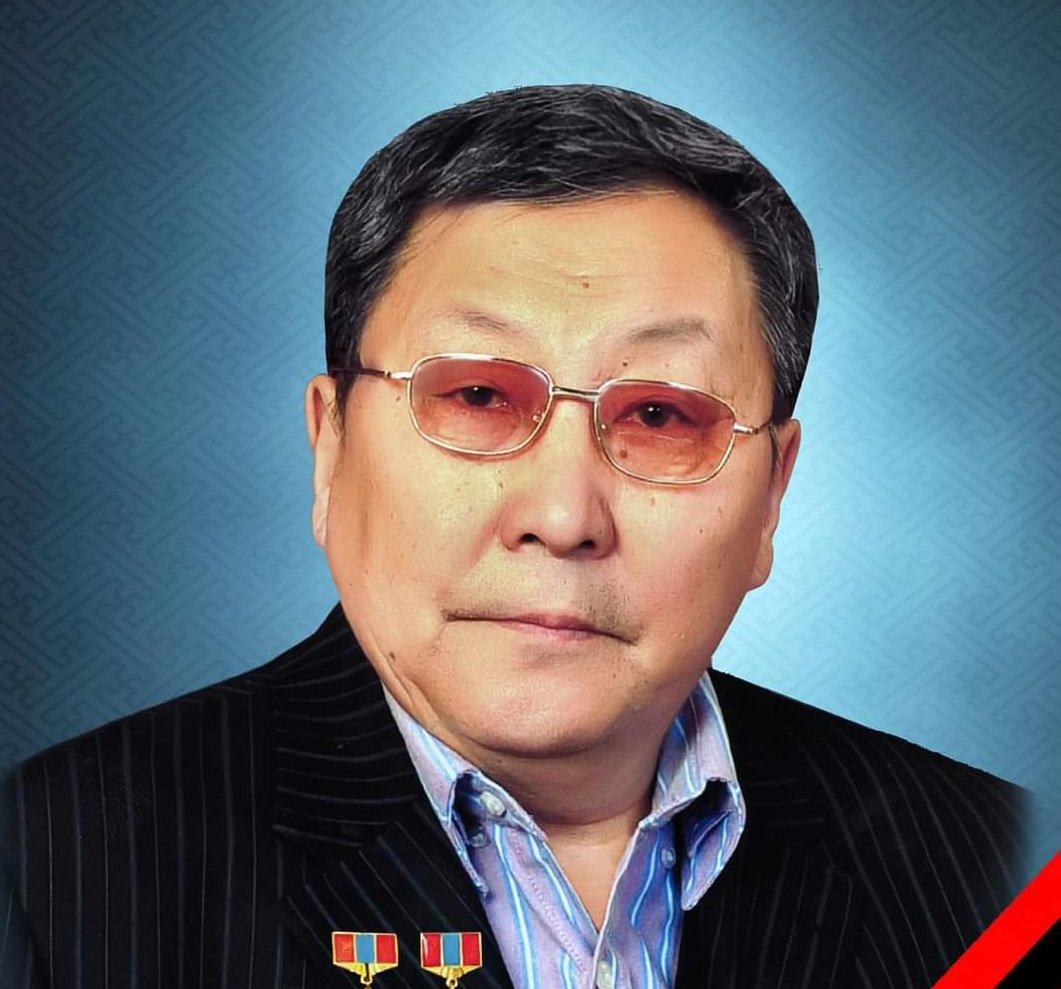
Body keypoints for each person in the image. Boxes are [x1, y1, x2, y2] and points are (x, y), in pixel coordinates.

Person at [1, 85, 1026, 989]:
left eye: (660, 414)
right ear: (330, 447)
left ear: (769, 498)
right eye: (479, 396)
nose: (562, 516)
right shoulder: (53, 866)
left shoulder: (998, 875)